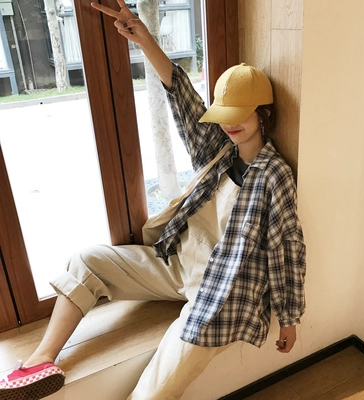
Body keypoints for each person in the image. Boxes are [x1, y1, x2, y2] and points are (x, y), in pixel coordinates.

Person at [0, 1, 306, 399]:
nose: (231, 123)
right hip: (176, 266)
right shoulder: (219, 149)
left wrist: (289, 319)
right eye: (225, 113)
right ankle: (41, 360)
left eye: (241, 114)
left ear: (263, 113)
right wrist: (143, 38)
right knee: (86, 261)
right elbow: (181, 95)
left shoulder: (275, 175)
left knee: (158, 386)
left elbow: (286, 250)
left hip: (220, 293)